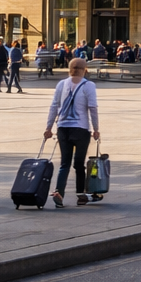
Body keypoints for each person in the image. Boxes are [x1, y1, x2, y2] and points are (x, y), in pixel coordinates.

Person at [44, 57, 101, 207]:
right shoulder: (89, 86)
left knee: (65, 164)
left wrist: (48, 128)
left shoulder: (61, 84)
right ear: (85, 70)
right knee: (79, 164)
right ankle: (80, 196)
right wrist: (96, 129)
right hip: (81, 129)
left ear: (69, 70)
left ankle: (59, 193)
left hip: (63, 128)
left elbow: (54, 106)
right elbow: (93, 108)